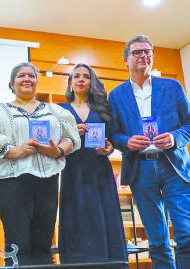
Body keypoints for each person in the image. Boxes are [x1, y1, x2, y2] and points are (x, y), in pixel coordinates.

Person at [109, 35, 190, 268]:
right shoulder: (116, 95)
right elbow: (114, 133)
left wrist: (174, 137)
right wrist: (127, 142)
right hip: (141, 170)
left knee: (187, 234)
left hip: (175, 167)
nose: (143, 55)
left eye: (148, 51)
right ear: (125, 60)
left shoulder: (172, 87)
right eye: (137, 52)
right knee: (157, 240)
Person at [0, 62, 80, 263]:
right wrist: (14, 151)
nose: (27, 79)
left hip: (48, 182)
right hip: (12, 183)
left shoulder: (55, 111)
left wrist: (57, 150)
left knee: (43, 244)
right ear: (11, 84)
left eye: (31, 76)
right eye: (21, 76)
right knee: (18, 244)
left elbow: (72, 137)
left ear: (36, 82)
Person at [58, 63, 127, 263]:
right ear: (70, 83)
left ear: (91, 82)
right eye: (76, 76)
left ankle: (108, 263)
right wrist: (71, 134)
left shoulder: (103, 108)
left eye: (86, 76)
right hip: (73, 170)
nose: (81, 79)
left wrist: (110, 148)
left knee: (104, 218)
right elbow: (53, 141)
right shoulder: (59, 110)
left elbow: (113, 138)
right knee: (76, 219)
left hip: (99, 170)